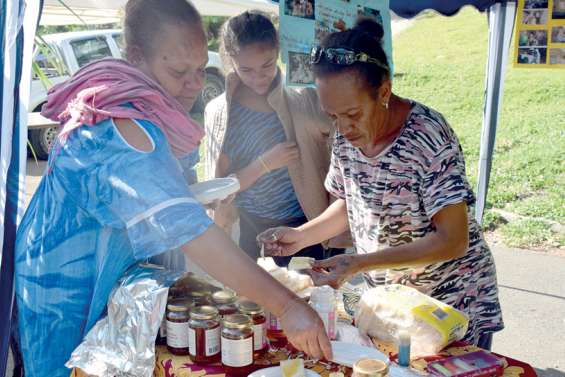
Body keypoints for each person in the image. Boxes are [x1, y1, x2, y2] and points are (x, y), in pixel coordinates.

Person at [14, 1, 331, 376]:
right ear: (136, 57)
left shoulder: (130, 106)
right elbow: (188, 229)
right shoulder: (120, 128)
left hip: (85, 274)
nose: (195, 84)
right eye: (179, 70)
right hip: (64, 291)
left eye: (200, 69)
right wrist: (289, 307)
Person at [261, 18, 504, 350]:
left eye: (353, 114)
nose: (344, 128)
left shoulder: (428, 136)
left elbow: (453, 239)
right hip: (394, 303)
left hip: (451, 302)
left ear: (384, 92)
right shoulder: (347, 140)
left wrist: (360, 263)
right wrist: (300, 237)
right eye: (333, 116)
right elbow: (352, 204)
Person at [204, 11, 348, 267]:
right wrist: (265, 163)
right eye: (246, 69)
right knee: (256, 303)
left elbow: (342, 137)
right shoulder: (220, 112)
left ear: (278, 52)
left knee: (311, 298)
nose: (258, 77)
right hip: (252, 228)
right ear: (230, 61)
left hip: (307, 226)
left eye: (267, 65)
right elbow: (221, 189)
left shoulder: (304, 98)